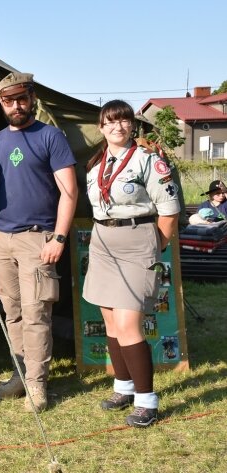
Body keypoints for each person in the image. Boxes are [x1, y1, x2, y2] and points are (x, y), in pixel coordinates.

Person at [0, 72, 78, 413]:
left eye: (22, 99)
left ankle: (38, 385)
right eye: (9, 101)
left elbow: (69, 191)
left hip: (39, 238)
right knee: (13, 312)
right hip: (2, 238)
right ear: (1, 103)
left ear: (32, 98)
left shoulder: (51, 137)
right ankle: (19, 376)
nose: (16, 106)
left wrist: (60, 237)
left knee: (37, 314)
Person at [82, 100, 180, 427]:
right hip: (103, 242)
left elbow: (169, 211)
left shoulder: (147, 160)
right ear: (101, 127)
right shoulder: (97, 162)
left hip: (138, 243)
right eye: (110, 122)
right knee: (110, 322)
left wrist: (155, 247)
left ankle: (147, 401)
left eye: (123, 121)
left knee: (128, 325)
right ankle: (123, 388)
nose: (117, 127)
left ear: (131, 125)